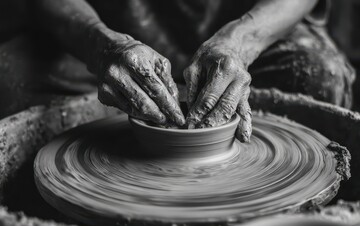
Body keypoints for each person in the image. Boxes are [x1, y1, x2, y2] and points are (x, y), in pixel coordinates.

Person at [33, 0, 355, 142]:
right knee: (14, 81)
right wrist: (100, 46)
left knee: (318, 75)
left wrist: (239, 43)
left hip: (248, 25)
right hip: (110, 30)